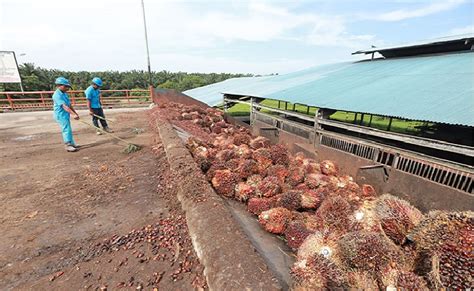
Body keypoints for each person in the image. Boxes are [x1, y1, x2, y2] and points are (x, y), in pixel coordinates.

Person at [52, 77, 80, 152]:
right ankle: (68, 145)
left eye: (68, 87)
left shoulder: (64, 93)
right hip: (60, 114)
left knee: (68, 128)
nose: (67, 88)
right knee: (66, 129)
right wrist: (73, 114)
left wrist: (75, 113)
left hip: (65, 113)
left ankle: (72, 143)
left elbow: (69, 104)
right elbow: (64, 106)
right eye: (65, 86)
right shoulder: (56, 95)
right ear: (59, 85)